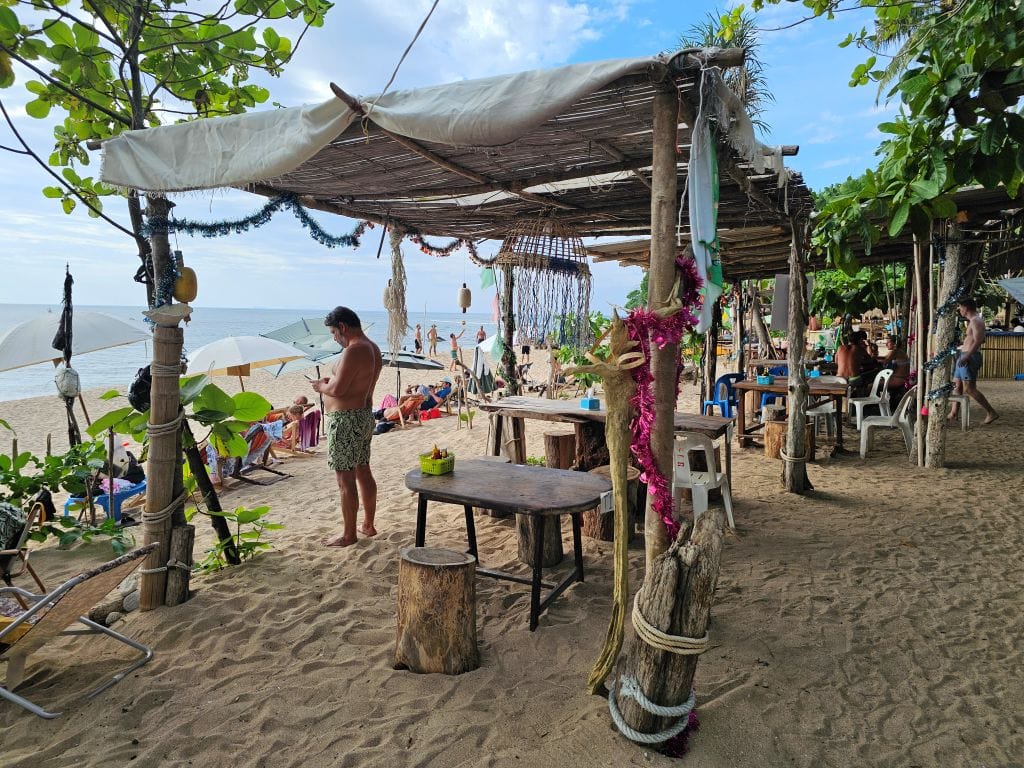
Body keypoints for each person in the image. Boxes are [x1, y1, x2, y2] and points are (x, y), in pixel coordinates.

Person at [312, 306, 383, 547]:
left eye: (333, 332)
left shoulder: (355, 350)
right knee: (363, 469)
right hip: (363, 415)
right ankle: (368, 524)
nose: (334, 338)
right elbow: (355, 384)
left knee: (345, 478)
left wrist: (320, 386)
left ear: (343, 327)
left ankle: (349, 534)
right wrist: (330, 383)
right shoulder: (372, 348)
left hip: (346, 420)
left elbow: (339, 390)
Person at [948, 297, 998, 425]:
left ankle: (991, 412)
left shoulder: (976, 320)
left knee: (969, 389)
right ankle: (954, 413)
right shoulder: (972, 321)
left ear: (966, 308)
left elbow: (979, 340)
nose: (959, 310)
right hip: (965, 355)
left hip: (969, 357)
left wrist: (967, 355)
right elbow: (978, 338)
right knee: (957, 385)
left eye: (960, 307)